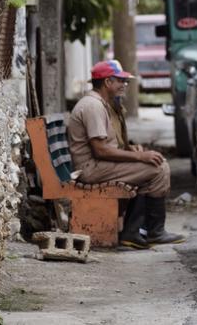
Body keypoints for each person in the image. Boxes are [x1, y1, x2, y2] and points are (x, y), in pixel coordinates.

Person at [68, 60, 184, 249]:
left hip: (98, 165)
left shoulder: (102, 104)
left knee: (156, 165)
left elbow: (107, 144)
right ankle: (148, 231)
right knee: (157, 169)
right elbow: (100, 150)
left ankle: (138, 231)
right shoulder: (93, 106)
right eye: (120, 81)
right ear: (107, 82)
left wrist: (131, 150)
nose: (124, 85)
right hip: (91, 169)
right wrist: (140, 157)